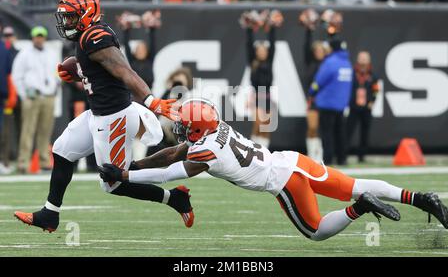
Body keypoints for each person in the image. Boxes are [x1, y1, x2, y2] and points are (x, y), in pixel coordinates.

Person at [99, 99, 448, 241]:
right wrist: (133, 165)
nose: (181, 130)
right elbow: (172, 153)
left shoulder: (204, 151)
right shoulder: (214, 129)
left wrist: (125, 176)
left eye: (186, 126)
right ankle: (419, 198)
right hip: (294, 160)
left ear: (198, 129)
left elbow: (169, 173)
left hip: (283, 181)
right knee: (356, 182)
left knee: (317, 232)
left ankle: (361, 207)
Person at [14, 0, 193, 232]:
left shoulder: (93, 36)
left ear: (86, 14)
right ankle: (50, 214)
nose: (66, 22)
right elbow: (103, 70)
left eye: (70, 16)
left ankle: (175, 198)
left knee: (114, 183)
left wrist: (152, 101)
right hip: (98, 114)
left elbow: (124, 71)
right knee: (62, 150)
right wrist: (80, 72)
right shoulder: (88, 35)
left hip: (114, 117)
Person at [11, 26, 59, 174]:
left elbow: (58, 73)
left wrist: (55, 87)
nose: (39, 38)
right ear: (32, 38)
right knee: (28, 130)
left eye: (41, 36)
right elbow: (16, 76)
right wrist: (23, 95)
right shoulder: (24, 54)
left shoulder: (51, 54)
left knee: (45, 130)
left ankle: (44, 163)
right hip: (32, 96)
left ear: (44, 38)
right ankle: (23, 163)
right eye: (37, 36)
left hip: (48, 96)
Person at [309, 12, 352, 165]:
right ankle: (343, 158)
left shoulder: (330, 62)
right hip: (341, 104)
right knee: (340, 132)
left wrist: (312, 92)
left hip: (327, 104)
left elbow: (318, 82)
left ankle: (328, 158)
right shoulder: (347, 63)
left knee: (327, 133)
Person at [243, 10, 283, 149]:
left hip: (267, 96)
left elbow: (272, 43)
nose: (262, 52)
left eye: (263, 50)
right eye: (259, 50)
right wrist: (249, 28)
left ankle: (264, 151)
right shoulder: (253, 61)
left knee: (267, 127)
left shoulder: (269, 61)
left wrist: (271, 27)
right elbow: (249, 44)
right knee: (258, 125)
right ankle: (253, 149)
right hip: (257, 96)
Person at [298, 9, 328, 162]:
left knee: (323, 129)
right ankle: (313, 157)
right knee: (312, 127)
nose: (318, 52)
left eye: (320, 50)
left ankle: (320, 155)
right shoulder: (311, 63)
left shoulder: (327, 63)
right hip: (313, 99)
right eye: (316, 50)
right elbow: (306, 47)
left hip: (327, 99)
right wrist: (309, 31)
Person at [346, 51, 379, 163]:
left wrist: (372, 101)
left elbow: (376, 90)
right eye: (361, 58)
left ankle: (362, 156)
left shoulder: (372, 75)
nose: (363, 60)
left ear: (369, 60)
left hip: (366, 108)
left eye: (365, 58)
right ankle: (344, 154)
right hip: (353, 107)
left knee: (365, 132)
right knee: (348, 131)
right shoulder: (351, 73)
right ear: (357, 60)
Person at [0, 26, 18, 174]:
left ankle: (3, 161)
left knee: (3, 131)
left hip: (2, 96)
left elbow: (9, 75)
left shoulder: (5, 49)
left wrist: (8, 95)